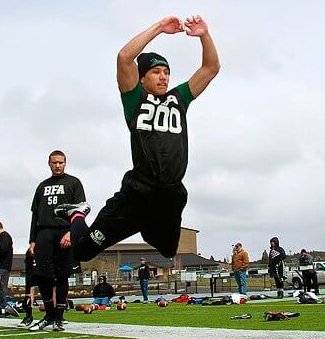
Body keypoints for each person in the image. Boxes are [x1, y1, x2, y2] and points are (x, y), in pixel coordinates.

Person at [58, 15, 220, 262]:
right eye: (156, 72)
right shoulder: (135, 99)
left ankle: (146, 224)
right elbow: (124, 57)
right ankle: (77, 215)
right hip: (137, 194)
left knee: (167, 250)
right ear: (142, 77)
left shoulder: (179, 99)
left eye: (166, 72)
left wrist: (204, 36)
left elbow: (210, 68)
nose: (163, 77)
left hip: (170, 195)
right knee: (82, 252)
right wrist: (159, 28)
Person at [28, 150, 87, 332]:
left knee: (62, 276)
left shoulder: (74, 183)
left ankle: (59, 318)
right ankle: (49, 315)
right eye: (54, 162)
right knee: (43, 276)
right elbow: (35, 215)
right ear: (49, 163)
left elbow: (80, 211)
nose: (57, 165)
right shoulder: (42, 186)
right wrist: (32, 240)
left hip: (65, 232)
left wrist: (71, 233)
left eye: (60, 162)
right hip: (44, 233)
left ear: (65, 163)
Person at [17, 246, 37, 327]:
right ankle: (28, 316)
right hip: (32, 272)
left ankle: (57, 317)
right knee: (27, 297)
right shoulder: (30, 251)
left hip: (46, 269)